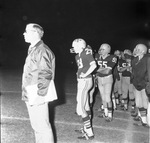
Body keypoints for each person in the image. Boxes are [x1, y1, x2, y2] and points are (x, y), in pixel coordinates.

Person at [22, 23, 57, 143]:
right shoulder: (34, 49)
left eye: (26, 31)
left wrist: (40, 95)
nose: (24, 33)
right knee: (37, 126)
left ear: (35, 33)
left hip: (37, 93)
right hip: (32, 92)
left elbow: (46, 74)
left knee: (42, 127)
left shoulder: (41, 50)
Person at [70, 38, 96, 140]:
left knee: (80, 109)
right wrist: (80, 72)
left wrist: (85, 73)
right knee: (85, 106)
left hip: (85, 81)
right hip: (82, 81)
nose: (73, 48)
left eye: (75, 46)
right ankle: (86, 128)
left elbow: (93, 65)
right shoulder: (78, 55)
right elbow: (82, 66)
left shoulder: (86, 52)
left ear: (81, 46)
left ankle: (89, 133)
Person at [96, 43, 117, 122]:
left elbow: (107, 71)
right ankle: (105, 113)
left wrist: (96, 70)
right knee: (103, 97)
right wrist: (100, 70)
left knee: (107, 97)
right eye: (100, 48)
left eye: (103, 49)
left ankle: (110, 115)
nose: (101, 50)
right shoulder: (97, 56)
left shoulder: (112, 57)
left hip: (107, 78)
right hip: (99, 78)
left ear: (108, 50)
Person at [131, 44, 150, 127]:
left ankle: (147, 121)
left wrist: (148, 83)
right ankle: (144, 121)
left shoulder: (147, 59)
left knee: (146, 104)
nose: (135, 50)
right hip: (137, 84)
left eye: (137, 49)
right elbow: (134, 72)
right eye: (135, 48)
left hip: (145, 84)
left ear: (143, 51)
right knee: (139, 104)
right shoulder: (134, 60)